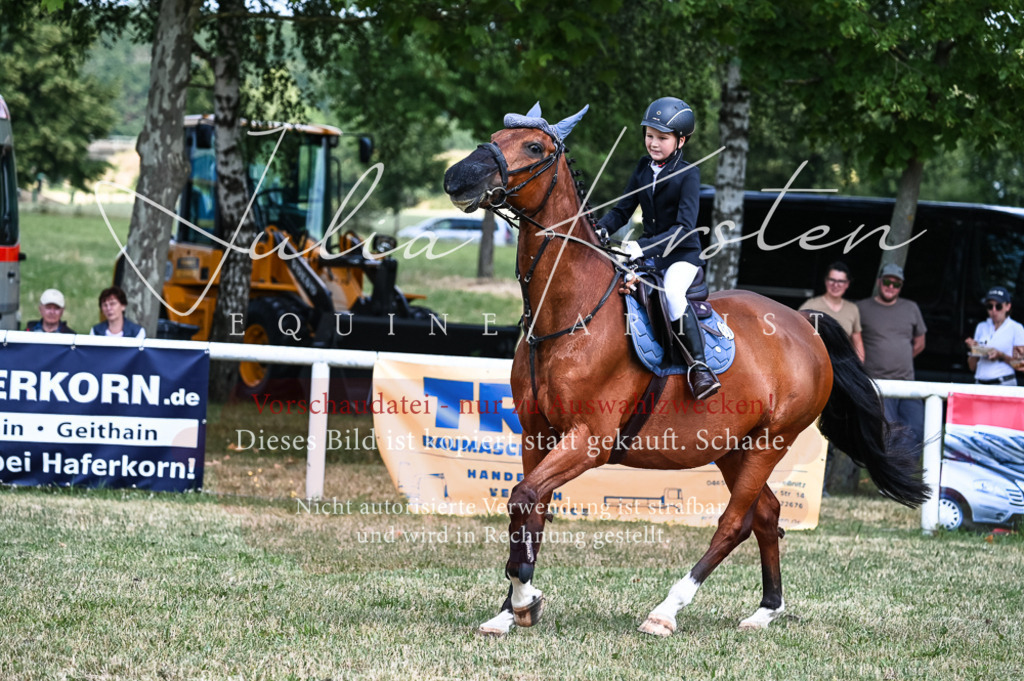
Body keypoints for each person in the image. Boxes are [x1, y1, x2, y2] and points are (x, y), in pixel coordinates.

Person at [598, 96, 719, 399]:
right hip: (648, 256)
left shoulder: (689, 174)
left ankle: (699, 368)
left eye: (661, 138)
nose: (653, 143)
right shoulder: (642, 167)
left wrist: (642, 247)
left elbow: (683, 228)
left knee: (673, 294)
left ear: (681, 140)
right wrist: (599, 228)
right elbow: (623, 210)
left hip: (681, 256)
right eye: (649, 135)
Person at [857, 263, 927, 449]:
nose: (890, 287)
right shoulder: (861, 308)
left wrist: (900, 358)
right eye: (887, 281)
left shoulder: (911, 308)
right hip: (878, 383)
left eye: (896, 284)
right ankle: (888, 474)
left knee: (916, 430)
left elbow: (920, 342)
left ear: (901, 287)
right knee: (887, 434)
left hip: (907, 382)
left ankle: (905, 474)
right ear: (879, 281)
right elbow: (852, 339)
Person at [799, 262, 865, 362]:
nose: (835, 285)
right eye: (832, 280)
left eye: (841, 281)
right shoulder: (810, 306)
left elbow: (858, 343)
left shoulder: (852, 309)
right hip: (816, 363)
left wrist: (858, 367)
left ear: (847, 284)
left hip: (843, 366)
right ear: (826, 281)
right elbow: (797, 335)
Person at [965, 286, 1024, 386]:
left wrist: (1001, 356)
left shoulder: (1016, 328)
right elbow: (972, 367)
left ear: (1007, 306)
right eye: (989, 306)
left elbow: (1021, 365)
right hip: (980, 383)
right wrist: (974, 349)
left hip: (1003, 383)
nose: (993, 310)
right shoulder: (981, 327)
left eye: (998, 306)